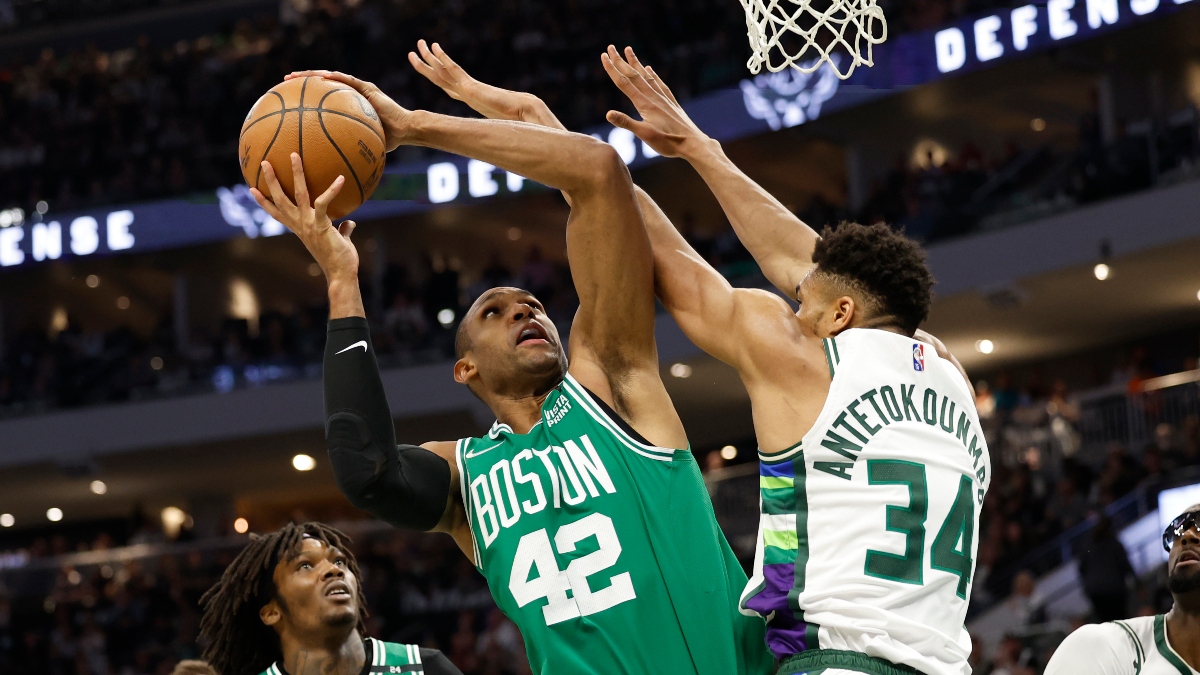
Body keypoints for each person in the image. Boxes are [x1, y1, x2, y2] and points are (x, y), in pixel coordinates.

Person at [258, 45, 773, 675]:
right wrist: (342, 281)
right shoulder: (465, 477)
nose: (524, 310)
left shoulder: (608, 379)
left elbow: (598, 172)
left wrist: (414, 126)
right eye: (493, 313)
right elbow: (367, 470)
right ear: (465, 369)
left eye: (530, 304)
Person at [599, 47, 991, 675]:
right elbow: (825, 271)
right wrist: (702, 150)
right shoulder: (952, 376)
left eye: (801, 303)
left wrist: (587, 165)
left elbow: (680, 274)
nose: (792, 306)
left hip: (834, 663)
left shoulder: (806, 361)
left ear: (838, 315)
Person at [197, 522, 460, 675]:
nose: (334, 570)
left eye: (340, 561)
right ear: (271, 612)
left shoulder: (423, 668)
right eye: (305, 566)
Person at [1043, 505, 1200, 674]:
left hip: (1098, 591)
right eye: (1178, 530)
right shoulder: (1099, 647)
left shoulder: (1093, 545)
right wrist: (1138, 586)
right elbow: (1125, 566)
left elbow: (1083, 568)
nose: (1187, 536)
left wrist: (1090, 586)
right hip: (1113, 592)